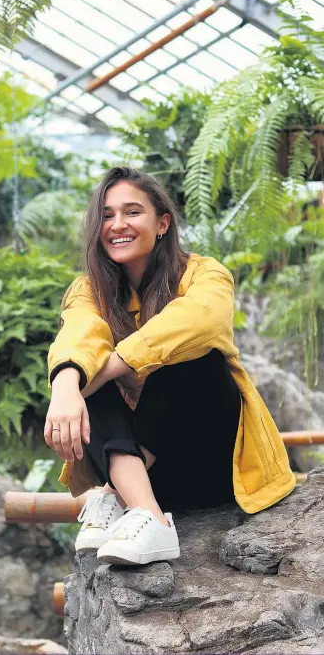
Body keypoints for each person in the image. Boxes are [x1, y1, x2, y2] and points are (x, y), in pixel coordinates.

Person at [45, 166, 296, 566]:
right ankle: (145, 511)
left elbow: (201, 320)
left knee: (191, 357)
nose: (117, 225)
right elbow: (80, 332)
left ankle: (117, 496)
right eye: (107, 215)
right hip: (151, 482)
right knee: (79, 374)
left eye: (132, 212)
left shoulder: (203, 273)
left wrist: (115, 365)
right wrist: (64, 387)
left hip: (210, 465)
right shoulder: (88, 289)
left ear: (162, 223)